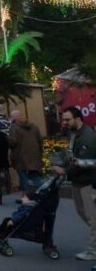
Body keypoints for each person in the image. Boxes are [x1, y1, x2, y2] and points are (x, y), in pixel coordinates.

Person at [50, 106, 96, 261]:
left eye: (67, 119)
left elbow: (85, 162)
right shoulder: (75, 134)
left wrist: (65, 171)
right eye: (63, 119)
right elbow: (71, 156)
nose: (64, 122)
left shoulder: (87, 136)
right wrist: (63, 165)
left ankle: (93, 250)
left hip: (88, 182)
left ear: (78, 119)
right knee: (85, 214)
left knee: (92, 217)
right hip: (79, 182)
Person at [8, 109, 44, 193]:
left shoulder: (14, 127)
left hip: (20, 157)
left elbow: (12, 142)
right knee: (35, 176)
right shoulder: (34, 126)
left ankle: (27, 197)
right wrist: (39, 153)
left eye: (11, 117)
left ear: (14, 118)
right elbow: (40, 141)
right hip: (34, 156)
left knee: (23, 178)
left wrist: (6, 139)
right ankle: (44, 190)